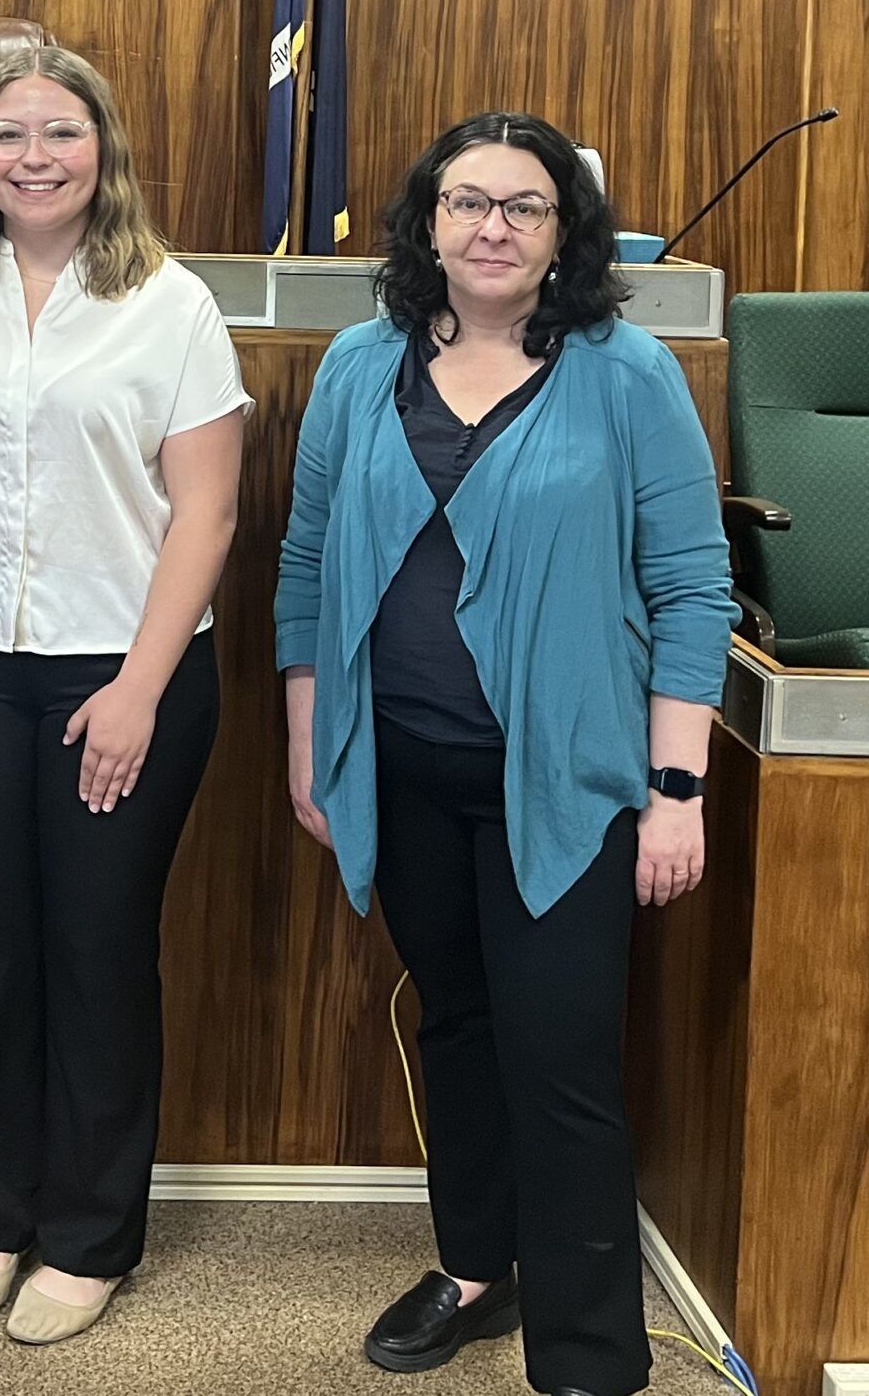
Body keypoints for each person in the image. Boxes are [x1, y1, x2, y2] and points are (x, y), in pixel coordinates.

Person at [275, 113, 734, 1396]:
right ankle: (476, 1265)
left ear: (563, 234)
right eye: (467, 201)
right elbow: (306, 563)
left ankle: (589, 1354)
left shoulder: (625, 372)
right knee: (459, 1024)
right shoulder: (362, 364)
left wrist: (674, 787)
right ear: (426, 219)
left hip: (570, 782)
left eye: (523, 207)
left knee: (562, 1055)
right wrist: (313, 741)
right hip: (404, 764)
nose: (491, 226)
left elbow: (693, 586)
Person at [0, 43, 247, 1347]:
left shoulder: (172, 304)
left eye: (61, 133)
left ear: (106, 151)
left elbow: (206, 514)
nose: (35, 156)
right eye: (9, 133)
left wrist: (141, 691)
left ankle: (88, 1235)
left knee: (95, 953)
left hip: (125, 672)